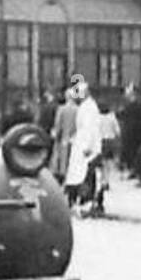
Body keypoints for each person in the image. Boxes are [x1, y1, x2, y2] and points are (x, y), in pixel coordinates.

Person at [64, 73, 102, 212]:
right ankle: (77, 198)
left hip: (86, 146)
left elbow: (89, 129)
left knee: (84, 173)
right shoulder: (86, 106)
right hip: (81, 143)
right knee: (79, 172)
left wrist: (87, 146)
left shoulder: (89, 108)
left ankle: (85, 198)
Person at [51, 85, 78, 183]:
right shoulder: (78, 109)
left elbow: (58, 124)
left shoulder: (61, 109)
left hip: (64, 137)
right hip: (75, 138)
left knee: (63, 159)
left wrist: (55, 133)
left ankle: (63, 176)